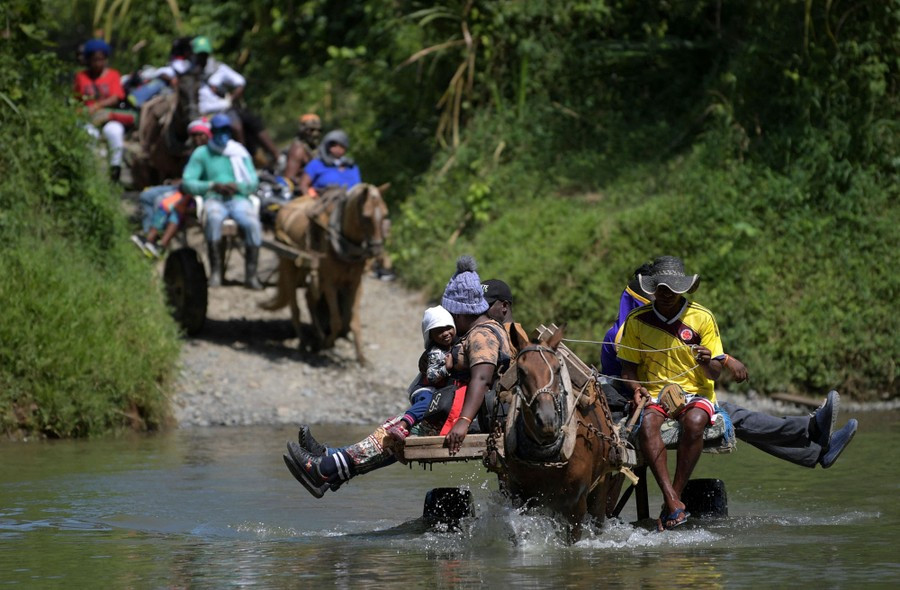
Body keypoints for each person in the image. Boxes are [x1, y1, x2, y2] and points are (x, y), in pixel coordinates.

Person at [284, 255, 512, 498]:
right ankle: (330, 463)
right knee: (393, 429)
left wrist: (463, 422)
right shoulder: (484, 331)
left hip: (462, 417)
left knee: (392, 436)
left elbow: (482, 379)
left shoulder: (482, 335)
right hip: (454, 411)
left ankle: (326, 469)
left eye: (452, 314)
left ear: (460, 311)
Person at [603, 261, 857, 470]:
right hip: (644, 398)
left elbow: (678, 341)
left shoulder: (637, 323)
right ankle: (811, 432)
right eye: (659, 291)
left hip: (674, 391)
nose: (667, 296)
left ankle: (814, 450)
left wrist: (724, 358)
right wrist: (724, 360)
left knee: (734, 416)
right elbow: (642, 364)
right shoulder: (629, 329)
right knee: (733, 416)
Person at [181, 113, 263, 290]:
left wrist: (238, 186)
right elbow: (188, 182)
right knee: (214, 218)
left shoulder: (239, 152)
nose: (223, 133)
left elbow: (253, 181)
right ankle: (216, 272)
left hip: (238, 198)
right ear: (212, 131)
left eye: (226, 129)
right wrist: (212, 185)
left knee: (252, 223)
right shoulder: (202, 153)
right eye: (219, 130)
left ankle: (251, 275)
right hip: (214, 199)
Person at [190, 36, 279, 165]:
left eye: (204, 54)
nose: (202, 57)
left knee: (236, 127)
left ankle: (243, 158)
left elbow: (240, 82)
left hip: (223, 110)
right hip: (201, 114)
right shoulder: (189, 73)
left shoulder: (219, 69)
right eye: (199, 54)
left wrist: (231, 98)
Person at [74, 38, 135, 182]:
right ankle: (90, 173)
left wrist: (97, 106)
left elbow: (116, 97)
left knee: (114, 132)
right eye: (94, 60)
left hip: (109, 116)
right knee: (89, 136)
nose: (98, 63)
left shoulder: (113, 75)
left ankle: (115, 172)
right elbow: (76, 99)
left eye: (101, 59)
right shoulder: (81, 77)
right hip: (88, 118)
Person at [136, 117, 211, 234]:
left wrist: (185, 183)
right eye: (194, 135)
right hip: (180, 186)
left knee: (163, 201)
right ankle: (147, 231)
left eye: (200, 134)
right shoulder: (193, 152)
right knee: (146, 195)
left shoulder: (210, 155)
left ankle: (154, 236)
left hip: (189, 191)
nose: (197, 139)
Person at [131, 189, 194, 258]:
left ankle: (161, 246)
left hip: (192, 199)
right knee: (165, 204)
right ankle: (149, 239)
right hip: (182, 191)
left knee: (176, 212)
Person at [298, 130, 361, 196]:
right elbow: (303, 185)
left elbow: (358, 188)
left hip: (349, 201)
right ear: (327, 146)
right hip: (323, 201)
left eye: (341, 146)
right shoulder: (317, 164)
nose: (337, 148)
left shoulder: (351, 167)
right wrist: (310, 196)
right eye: (334, 145)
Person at [282, 113, 322, 189]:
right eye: (311, 130)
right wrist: (305, 183)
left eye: (319, 130)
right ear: (302, 130)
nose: (315, 134)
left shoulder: (314, 147)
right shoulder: (298, 149)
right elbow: (288, 179)